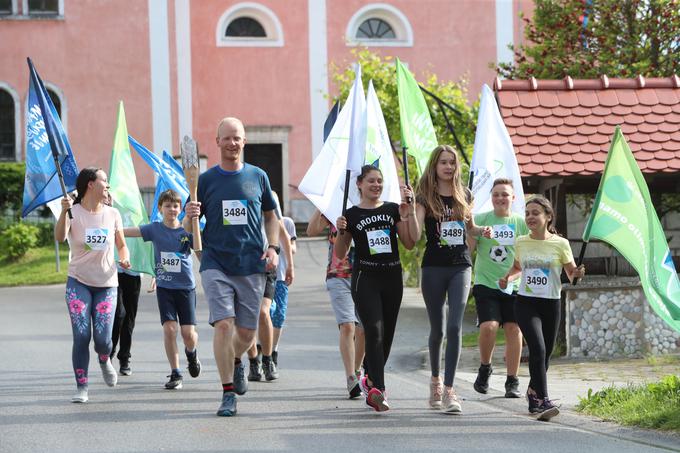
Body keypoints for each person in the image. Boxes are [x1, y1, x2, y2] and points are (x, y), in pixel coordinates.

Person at [184, 117, 279, 417]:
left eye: (237, 138)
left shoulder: (258, 176)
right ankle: (227, 393)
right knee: (223, 324)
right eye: (226, 138)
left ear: (244, 141)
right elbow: (189, 227)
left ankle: (237, 359)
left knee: (248, 335)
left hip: (251, 264)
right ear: (217, 142)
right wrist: (190, 215)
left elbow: (271, 217)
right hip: (216, 262)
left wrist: (273, 247)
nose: (232, 143)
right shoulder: (205, 181)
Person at [414, 145, 491, 414]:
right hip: (434, 267)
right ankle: (434, 381)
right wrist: (409, 212)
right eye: (443, 162)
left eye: (452, 163)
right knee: (439, 330)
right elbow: (415, 234)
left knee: (456, 327)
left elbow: (471, 228)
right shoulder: (424, 196)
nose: (448, 167)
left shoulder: (464, 194)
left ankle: (449, 390)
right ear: (435, 166)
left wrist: (484, 231)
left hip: (460, 265)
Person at [335, 164, 417, 412]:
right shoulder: (351, 214)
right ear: (359, 184)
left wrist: (409, 211)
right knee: (374, 330)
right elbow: (340, 253)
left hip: (391, 276)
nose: (376, 185)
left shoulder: (394, 209)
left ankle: (370, 377)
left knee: (387, 335)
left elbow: (410, 242)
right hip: (365, 278)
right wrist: (340, 231)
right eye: (371, 181)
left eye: (379, 181)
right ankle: (378, 390)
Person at [499, 195, 585, 421]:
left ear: (548, 217)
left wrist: (577, 274)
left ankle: (533, 394)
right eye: (527, 213)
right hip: (526, 303)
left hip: (551, 303)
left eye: (535, 213)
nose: (530, 217)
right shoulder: (521, 241)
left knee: (545, 356)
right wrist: (507, 278)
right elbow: (517, 266)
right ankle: (543, 399)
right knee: (537, 349)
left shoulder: (560, 243)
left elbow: (571, 274)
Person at [55, 167, 131, 403]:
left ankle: (104, 357)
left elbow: (121, 245)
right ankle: (82, 386)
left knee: (101, 339)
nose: (107, 185)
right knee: (81, 335)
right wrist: (63, 212)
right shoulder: (72, 212)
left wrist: (125, 257)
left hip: (107, 284)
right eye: (104, 180)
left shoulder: (113, 214)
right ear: (90, 184)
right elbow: (59, 238)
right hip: (78, 282)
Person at [124, 189, 201, 390]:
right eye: (168, 206)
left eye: (176, 206)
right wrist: (111, 228)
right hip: (165, 287)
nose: (172, 209)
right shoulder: (155, 229)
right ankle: (176, 372)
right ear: (160, 208)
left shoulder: (187, 231)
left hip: (185, 288)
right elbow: (132, 232)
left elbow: (201, 252)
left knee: (188, 333)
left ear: (181, 209)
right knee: (169, 329)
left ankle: (192, 354)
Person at [468, 178, 528, 398]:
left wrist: (512, 276)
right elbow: (468, 249)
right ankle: (485, 368)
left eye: (505, 194)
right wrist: (471, 228)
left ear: (513, 198)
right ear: (491, 198)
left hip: (513, 285)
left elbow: (525, 260)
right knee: (489, 327)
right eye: (496, 194)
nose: (500, 198)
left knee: (514, 330)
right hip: (486, 282)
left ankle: (512, 380)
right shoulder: (481, 220)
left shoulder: (521, 223)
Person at [307, 209, 366, 399]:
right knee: (348, 325)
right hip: (338, 275)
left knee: (363, 329)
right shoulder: (334, 208)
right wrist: (322, 204)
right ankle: (351, 378)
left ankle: (357, 370)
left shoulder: (368, 209)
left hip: (365, 275)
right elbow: (311, 231)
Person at [269, 215, 296, 368]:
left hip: (281, 276)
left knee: (279, 315)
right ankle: (262, 348)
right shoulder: (260, 220)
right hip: (263, 275)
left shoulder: (287, 223)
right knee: (266, 312)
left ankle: (274, 350)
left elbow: (293, 248)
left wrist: (283, 236)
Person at [110, 267, 141, 376]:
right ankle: (110, 351)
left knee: (129, 318)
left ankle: (124, 357)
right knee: (118, 314)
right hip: (114, 272)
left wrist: (154, 275)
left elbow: (149, 250)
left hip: (134, 273)